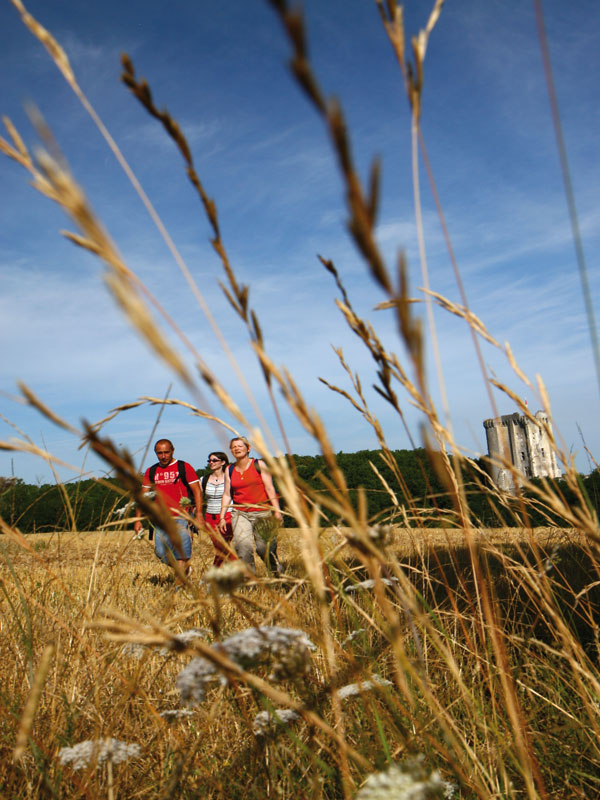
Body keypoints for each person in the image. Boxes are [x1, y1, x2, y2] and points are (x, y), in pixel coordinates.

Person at [134, 438, 202, 576]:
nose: (163, 456)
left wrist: (199, 514)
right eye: (159, 453)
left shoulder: (184, 467)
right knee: (160, 552)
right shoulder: (151, 471)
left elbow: (197, 490)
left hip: (182, 517)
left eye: (166, 452)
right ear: (156, 453)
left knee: (181, 553)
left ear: (172, 451)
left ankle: (180, 586)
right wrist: (137, 519)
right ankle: (184, 570)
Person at [219, 437, 282, 574]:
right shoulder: (229, 469)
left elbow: (270, 488)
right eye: (234, 446)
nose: (237, 448)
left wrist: (277, 512)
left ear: (248, 449)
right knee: (243, 547)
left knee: (263, 548)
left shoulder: (259, 465)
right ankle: (250, 580)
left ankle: (276, 571)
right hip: (240, 513)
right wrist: (222, 516)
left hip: (263, 512)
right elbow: (227, 494)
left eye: (240, 446)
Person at [201, 451, 236, 567]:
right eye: (209, 460)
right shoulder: (203, 480)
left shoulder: (230, 477)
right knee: (219, 546)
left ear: (223, 462)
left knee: (222, 546)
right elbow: (196, 497)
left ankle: (214, 573)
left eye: (214, 460)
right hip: (210, 517)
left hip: (227, 515)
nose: (211, 463)